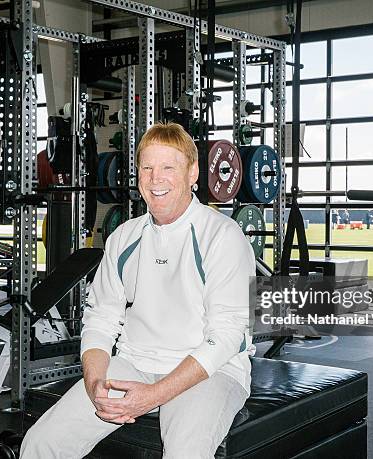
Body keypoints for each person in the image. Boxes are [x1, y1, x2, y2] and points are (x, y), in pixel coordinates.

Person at [20, 123, 255, 459]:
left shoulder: (222, 236)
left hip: (211, 371)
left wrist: (154, 394)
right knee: (41, 442)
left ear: (193, 173)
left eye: (168, 167)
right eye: (147, 168)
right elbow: (100, 320)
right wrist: (95, 385)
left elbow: (228, 336)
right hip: (135, 362)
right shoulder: (123, 238)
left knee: (184, 454)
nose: (155, 178)